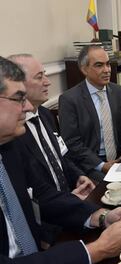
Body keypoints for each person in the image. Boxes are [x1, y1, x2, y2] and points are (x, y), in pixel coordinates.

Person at [0, 57, 121, 264]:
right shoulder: (13, 143)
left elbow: (42, 194)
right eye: (19, 98)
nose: (27, 106)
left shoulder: (6, 151)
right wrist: (98, 250)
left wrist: (101, 216)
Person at [9, 54, 95, 200]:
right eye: (39, 77)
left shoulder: (45, 114)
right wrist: (67, 202)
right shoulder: (12, 131)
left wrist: (78, 176)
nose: (47, 82)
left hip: (70, 196)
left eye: (45, 75)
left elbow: (61, 155)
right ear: (18, 85)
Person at [59, 45, 121, 182]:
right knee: (112, 188)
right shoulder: (70, 100)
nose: (107, 70)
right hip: (90, 164)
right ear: (84, 69)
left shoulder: (119, 92)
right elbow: (72, 143)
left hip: (120, 158)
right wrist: (102, 165)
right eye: (99, 65)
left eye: (108, 64)